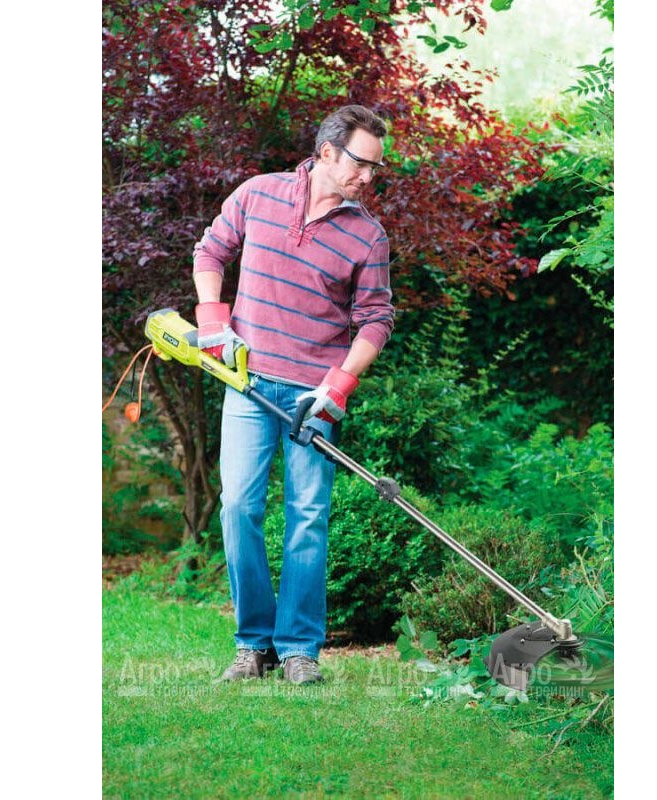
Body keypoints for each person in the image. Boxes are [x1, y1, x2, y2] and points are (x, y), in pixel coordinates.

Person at [192, 105, 394, 684]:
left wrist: (339, 385)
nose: (368, 177)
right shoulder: (259, 194)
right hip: (248, 383)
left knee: (307, 516)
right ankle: (253, 644)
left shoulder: (367, 235)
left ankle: (300, 648)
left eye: (376, 168)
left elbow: (376, 319)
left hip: (314, 394)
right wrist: (214, 321)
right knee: (238, 506)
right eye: (361, 163)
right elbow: (211, 251)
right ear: (327, 151)